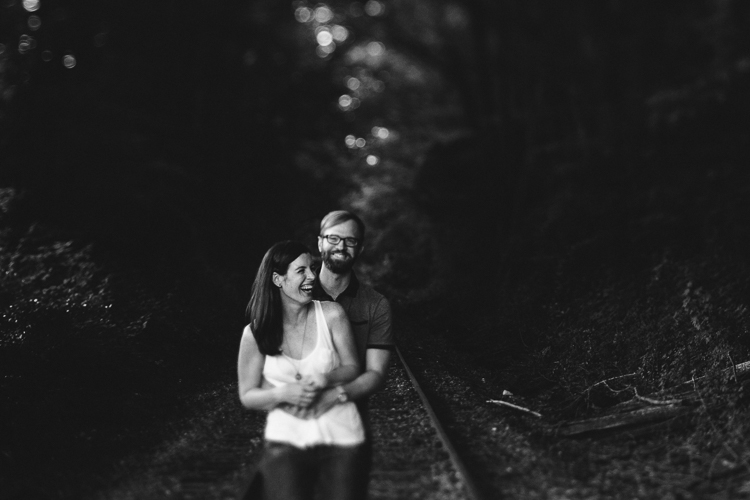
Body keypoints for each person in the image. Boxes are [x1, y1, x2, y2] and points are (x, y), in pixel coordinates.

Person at [237, 240, 366, 500]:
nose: (311, 276)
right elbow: (247, 394)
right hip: (286, 440)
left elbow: (353, 367)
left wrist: (325, 377)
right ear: (277, 279)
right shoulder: (255, 334)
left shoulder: (331, 314)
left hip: (340, 435)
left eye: (312, 268)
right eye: (301, 271)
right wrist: (283, 394)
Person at [303, 210, 395, 499]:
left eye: (350, 241)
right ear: (320, 243)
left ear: (361, 248)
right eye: (333, 237)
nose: (341, 246)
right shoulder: (294, 295)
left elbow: (376, 373)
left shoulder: (376, 305)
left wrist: (338, 394)